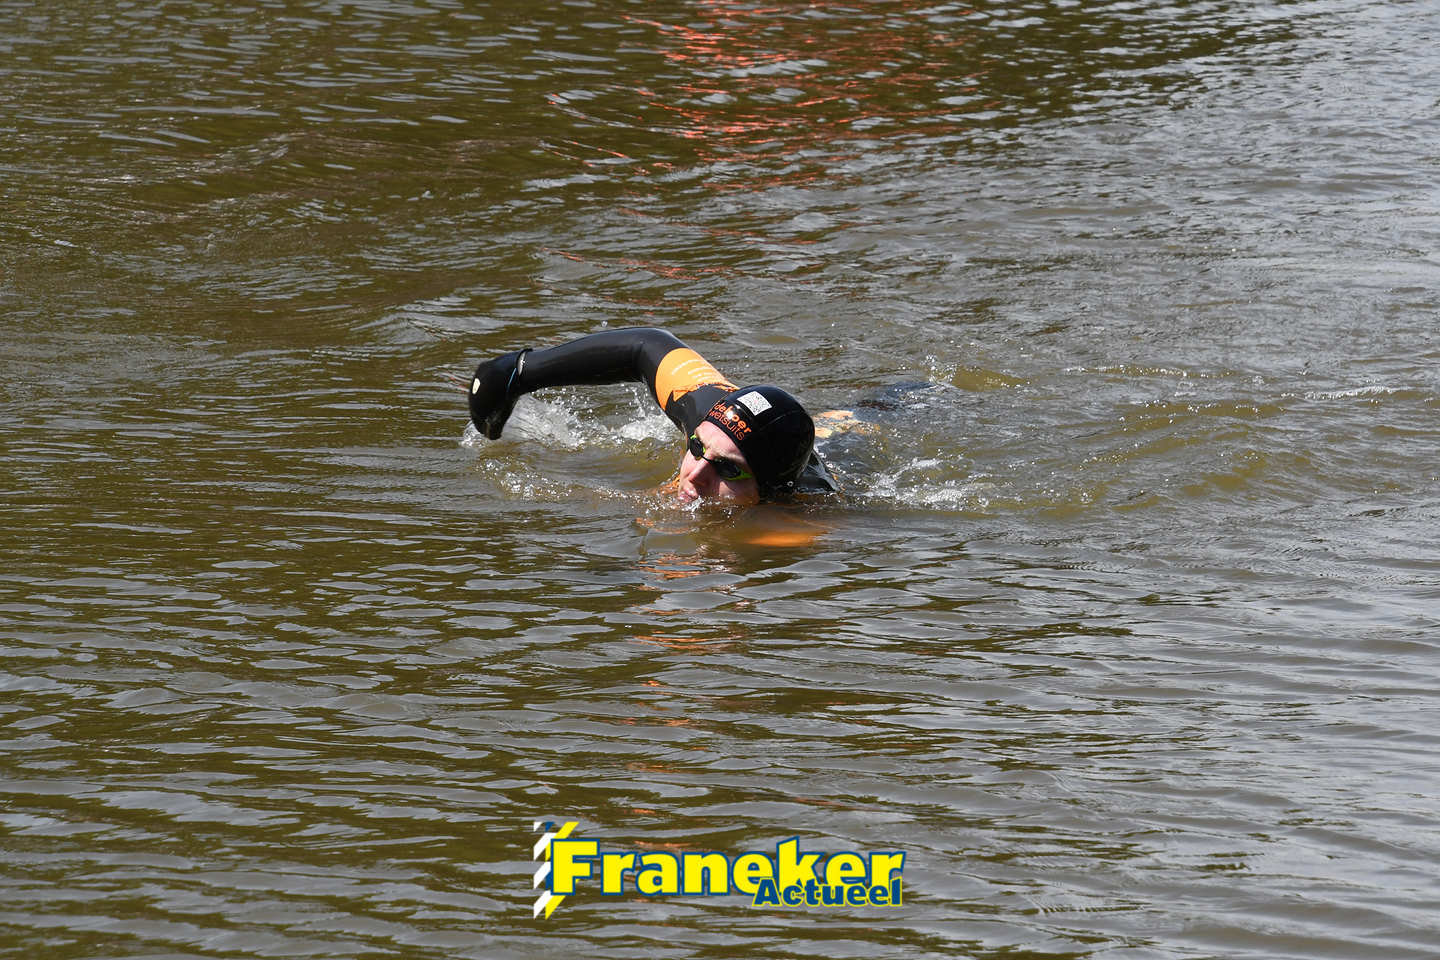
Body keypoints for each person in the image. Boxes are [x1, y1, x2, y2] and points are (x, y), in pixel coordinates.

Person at [467, 327, 839, 505]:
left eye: (728, 469)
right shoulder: (713, 415)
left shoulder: (800, 514)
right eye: (696, 448)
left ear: (772, 491)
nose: (695, 474)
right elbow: (644, 347)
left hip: (848, 437)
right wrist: (518, 372)